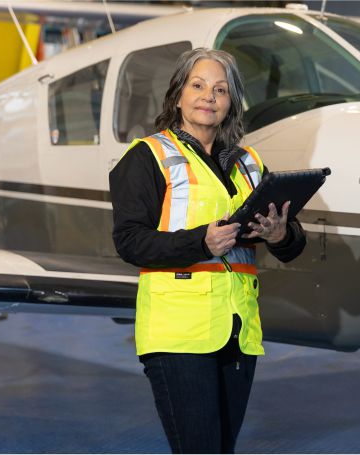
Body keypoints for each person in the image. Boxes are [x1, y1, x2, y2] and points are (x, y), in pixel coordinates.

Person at [109, 48, 306, 453]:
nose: (208, 96)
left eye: (220, 89)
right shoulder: (147, 157)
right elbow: (129, 241)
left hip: (238, 331)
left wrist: (278, 234)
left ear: (231, 102)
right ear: (178, 95)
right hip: (177, 333)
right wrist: (201, 241)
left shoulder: (248, 162)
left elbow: (293, 245)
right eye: (197, 85)